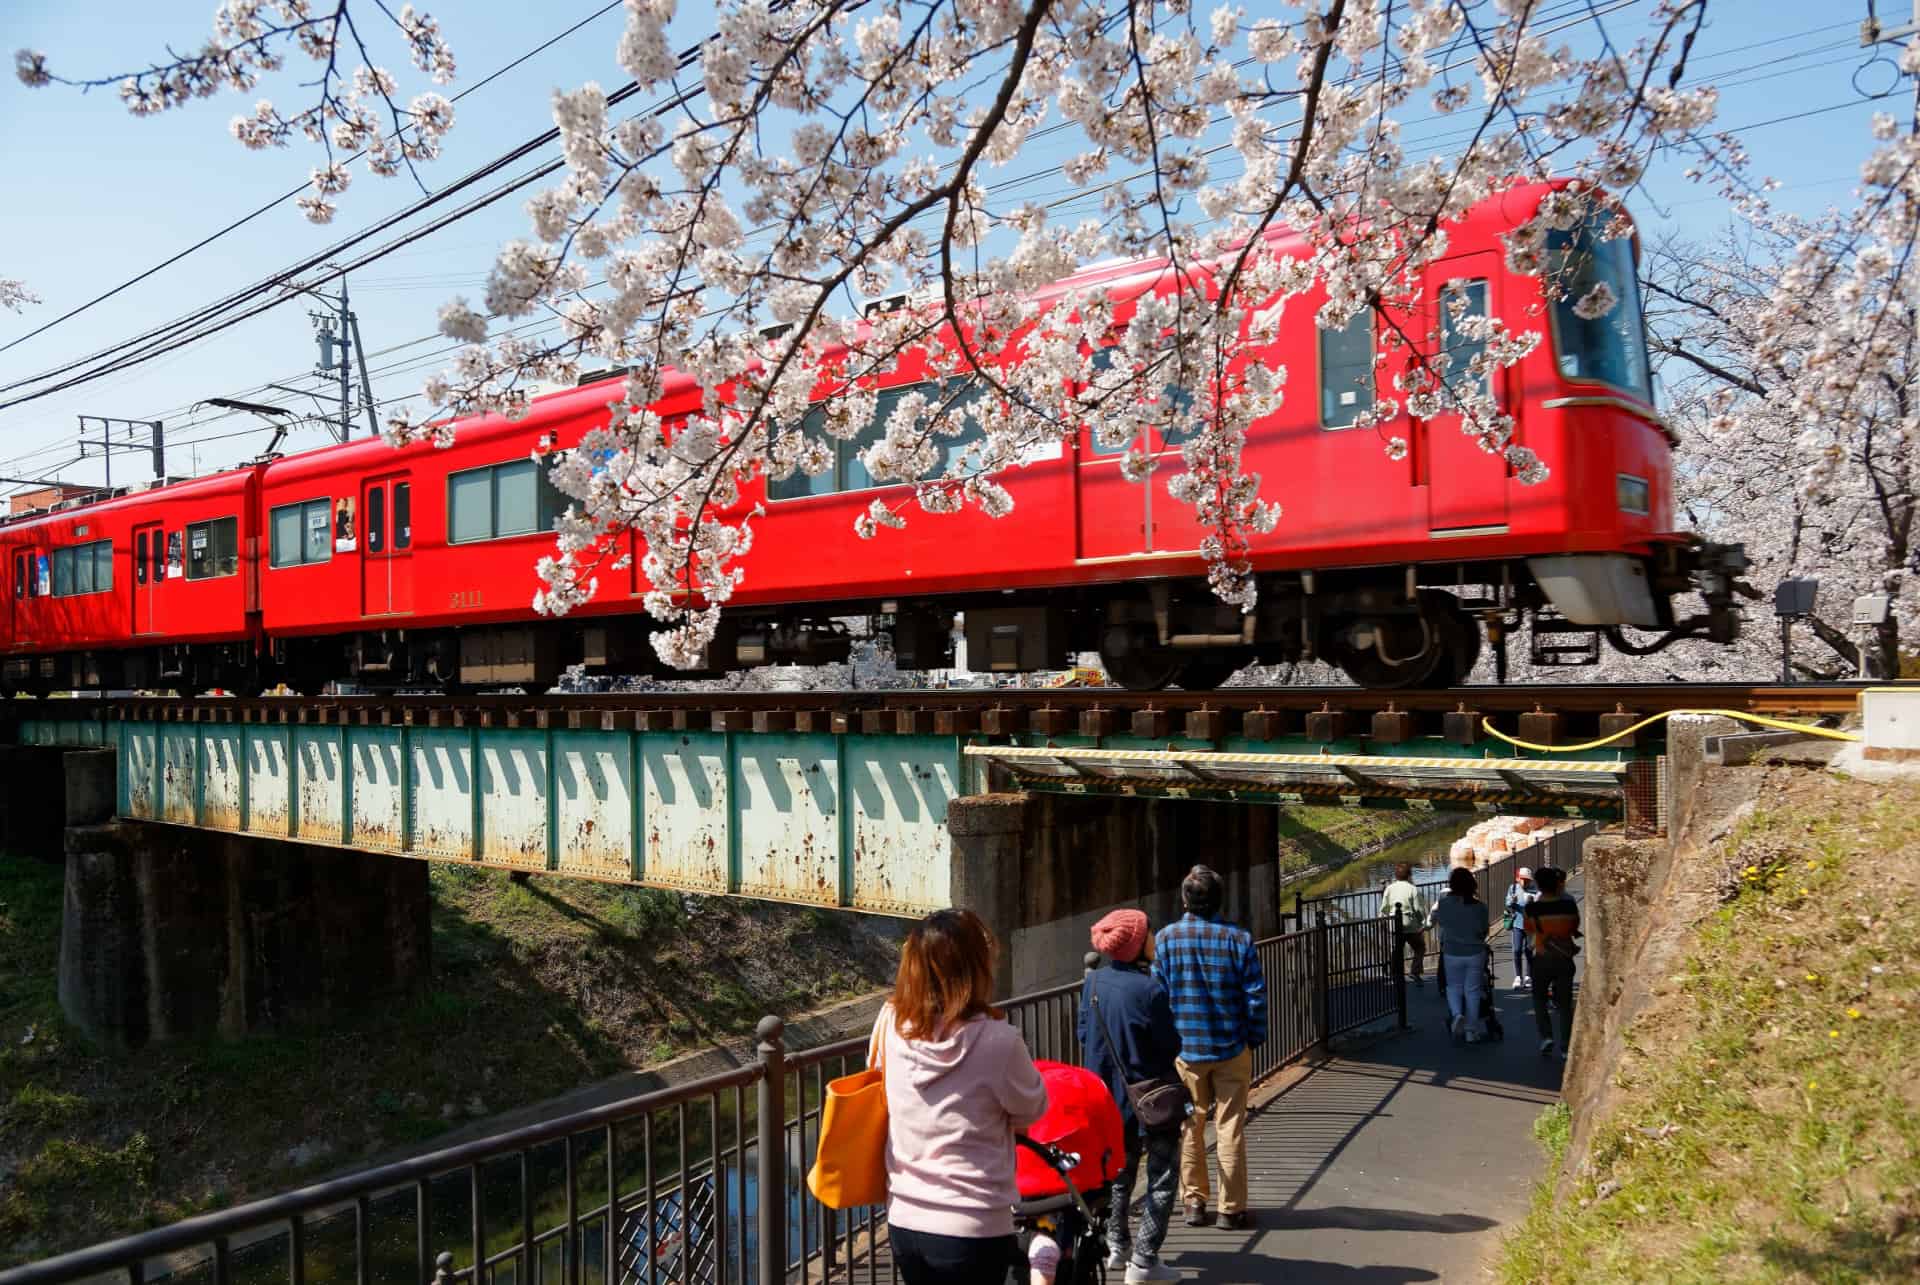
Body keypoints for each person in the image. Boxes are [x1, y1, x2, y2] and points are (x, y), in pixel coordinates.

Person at [878, 908, 1049, 1285]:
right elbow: (1032, 1108)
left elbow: (883, 1082)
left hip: (904, 1216)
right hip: (973, 1222)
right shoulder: (1000, 1041)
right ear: (977, 967)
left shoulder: (890, 1022)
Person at [1153, 865, 1267, 1231]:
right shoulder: (1239, 940)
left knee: (1190, 1124)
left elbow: (1158, 997)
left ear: (1185, 899)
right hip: (1231, 1046)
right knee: (1230, 1126)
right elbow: (1254, 997)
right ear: (1220, 899)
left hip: (1186, 1049)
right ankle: (1231, 1209)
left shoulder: (1167, 939)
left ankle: (1194, 1203)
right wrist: (1255, 1035)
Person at [1079, 909, 1183, 1283]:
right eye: (1149, 933)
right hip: (1150, 1099)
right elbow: (1171, 1044)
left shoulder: (1092, 984)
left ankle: (1116, 1247)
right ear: (1138, 943)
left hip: (1107, 1100)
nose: (1153, 938)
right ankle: (1145, 1259)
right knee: (1162, 1176)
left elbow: (1083, 1035)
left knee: (1120, 1174)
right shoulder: (1150, 990)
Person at [1524, 866, 1581, 1059]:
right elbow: (1575, 925)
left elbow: (1529, 930)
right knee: (1565, 1004)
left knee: (1539, 999)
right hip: (1564, 957)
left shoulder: (1532, 908)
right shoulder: (1569, 905)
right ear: (1557, 884)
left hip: (1541, 957)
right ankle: (1566, 1046)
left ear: (1538, 884)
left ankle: (1546, 1036)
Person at [1429, 866, 1491, 1042]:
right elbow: (1483, 930)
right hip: (1475, 951)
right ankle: (1471, 1030)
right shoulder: (1479, 907)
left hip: (1451, 951)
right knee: (1472, 990)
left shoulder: (1444, 904)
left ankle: (1457, 1015)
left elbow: (1441, 922)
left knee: (1453, 987)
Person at [1379, 862, 1430, 987]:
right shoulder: (1412, 889)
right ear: (1409, 875)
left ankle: (1395, 976)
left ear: (1396, 875)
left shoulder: (1389, 888)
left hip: (1394, 925)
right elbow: (1418, 909)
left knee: (1396, 951)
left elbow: (1384, 909)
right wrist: (1422, 923)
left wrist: (1383, 920)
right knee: (1420, 948)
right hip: (1411, 925)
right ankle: (1415, 972)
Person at [1504, 868, 1538, 991]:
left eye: (1527, 880)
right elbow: (1507, 904)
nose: (1525, 882)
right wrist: (1511, 901)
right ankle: (1518, 976)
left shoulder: (1535, 889)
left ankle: (1529, 976)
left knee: (1529, 951)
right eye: (1522, 879)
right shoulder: (1513, 888)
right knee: (1517, 950)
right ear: (1518, 878)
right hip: (1517, 924)